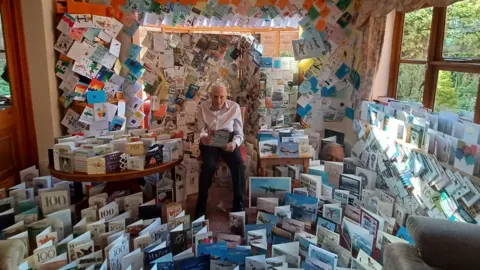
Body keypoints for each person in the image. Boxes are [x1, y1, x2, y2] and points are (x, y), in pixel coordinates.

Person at [195, 83, 245, 218]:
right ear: (210, 95)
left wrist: (234, 144)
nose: (218, 101)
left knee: (239, 164)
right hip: (210, 140)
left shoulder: (235, 107)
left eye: (222, 97)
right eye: (215, 97)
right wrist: (204, 137)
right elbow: (200, 129)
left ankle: (238, 202)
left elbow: (239, 133)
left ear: (226, 95)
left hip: (227, 139)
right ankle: (201, 205)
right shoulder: (202, 107)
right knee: (208, 167)